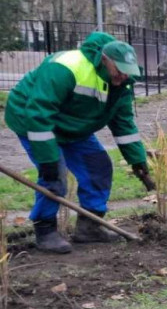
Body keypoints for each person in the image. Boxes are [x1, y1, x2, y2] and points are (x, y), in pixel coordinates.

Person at [4, 31, 156, 253]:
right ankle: (45, 230)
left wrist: (138, 162)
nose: (123, 76)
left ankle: (89, 227)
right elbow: (38, 114)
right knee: (54, 176)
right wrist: (48, 162)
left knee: (98, 166)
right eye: (119, 70)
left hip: (74, 126)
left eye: (127, 72)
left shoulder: (123, 84)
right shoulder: (65, 67)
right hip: (32, 119)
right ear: (105, 60)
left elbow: (124, 125)